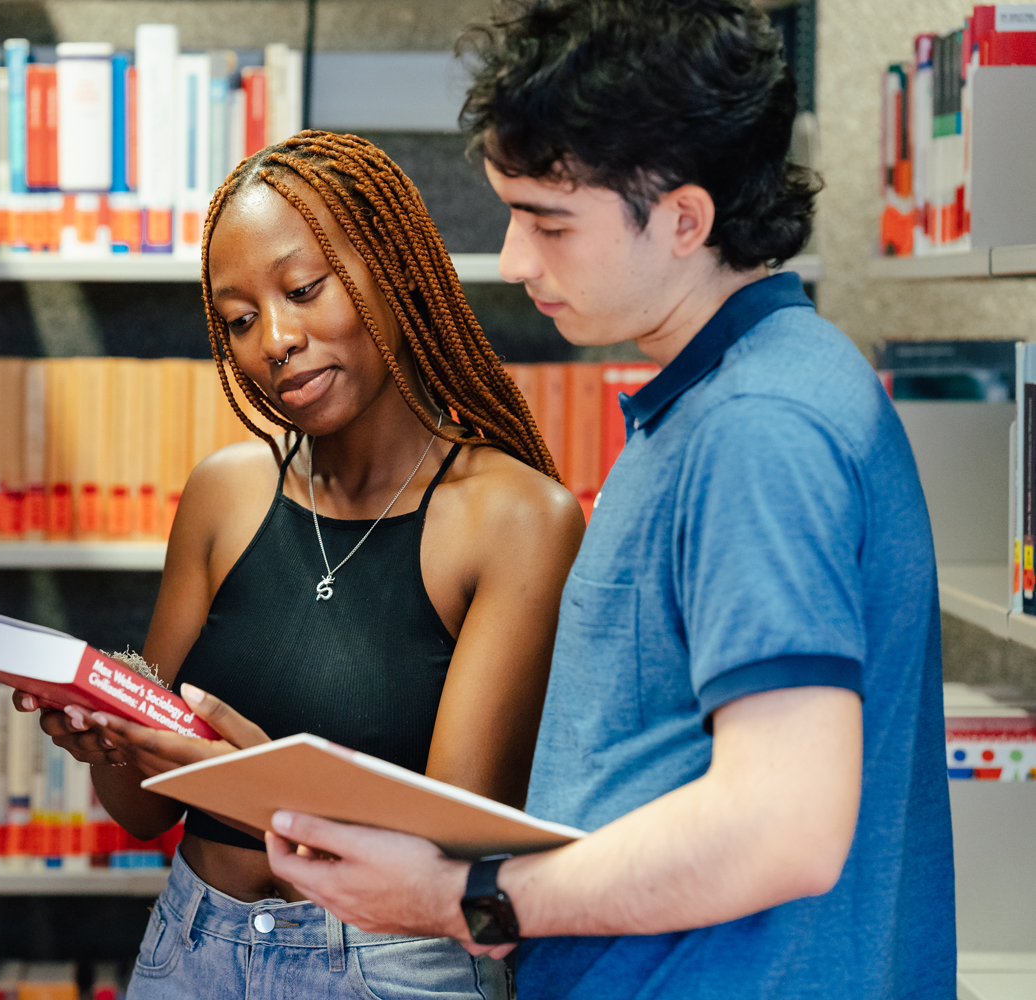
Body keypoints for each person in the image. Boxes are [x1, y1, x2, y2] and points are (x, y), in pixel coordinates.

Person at [260, 2, 957, 999]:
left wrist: (469, 899)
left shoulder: (759, 428)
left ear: (684, 218)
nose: (513, 260)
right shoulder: (730, 391)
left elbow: (784, 827)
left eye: (550, 222)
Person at [17, 132, 585, 998]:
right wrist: (106, 736)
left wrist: (267, 787)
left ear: (392, 269)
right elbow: (141, 812)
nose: (273, 341)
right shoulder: (223, 495)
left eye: (304, 290)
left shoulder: (515, 519)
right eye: (239, 319)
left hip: (392, 968)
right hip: (191, 948)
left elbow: (452, 854)